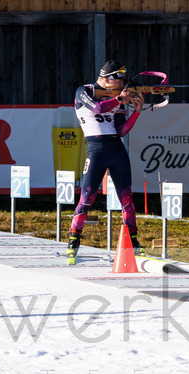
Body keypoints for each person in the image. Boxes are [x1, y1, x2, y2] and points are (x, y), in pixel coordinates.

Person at [65, 60, 145, 265]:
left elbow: (121, 131)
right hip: (96, 149)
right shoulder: (85, 90)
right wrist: (119, 98)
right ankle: (73, 241)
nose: (122, 85)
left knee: (127, 199)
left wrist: (136, 111)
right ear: (110, 80)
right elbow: (98, 108)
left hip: (116, 148)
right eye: (119, 81)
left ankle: (134, 242)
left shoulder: (118, 98)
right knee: (86, 198)